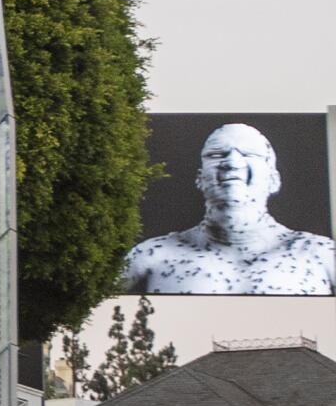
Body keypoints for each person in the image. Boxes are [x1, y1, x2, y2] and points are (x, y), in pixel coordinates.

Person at [120, 123, 336, 296]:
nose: (232, 162)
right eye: (216, 154)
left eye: (249, 154)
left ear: (274, 180)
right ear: (199, 179)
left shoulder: (322, 254)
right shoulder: (151, 255)